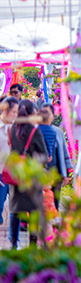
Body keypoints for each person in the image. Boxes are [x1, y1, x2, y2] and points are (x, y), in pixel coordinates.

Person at [8, 99, 46, 250]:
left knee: (15, 210)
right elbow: (44, 154)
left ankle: (13, 243)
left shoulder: (12, 129)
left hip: (15, 175)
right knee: (33, 209)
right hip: (31, 176)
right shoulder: (34, 131)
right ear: (31, 113)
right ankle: (32, 242)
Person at [39, 104, 71, 212]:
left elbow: (64, 153)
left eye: (49, 114)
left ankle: (54, 223)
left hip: (56, 170)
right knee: (42, 199)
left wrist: (66, 172)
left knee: (55, 198)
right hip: (41, 171)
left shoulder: (58, 131)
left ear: (53, 116)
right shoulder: (37, 130)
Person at [0, 97, 19, 227]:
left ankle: (13, 238)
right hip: (0, 174)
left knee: (15, 208)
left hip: (13, 174)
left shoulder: (16, 129)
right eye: (14, 112)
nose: (16, 115)